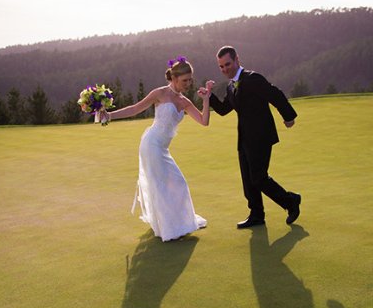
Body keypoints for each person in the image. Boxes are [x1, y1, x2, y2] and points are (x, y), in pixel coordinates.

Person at [101, 57, 214, 242]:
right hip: (151, 144)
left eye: (190, 80)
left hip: (163, 149)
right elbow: (135, 109)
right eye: (185, 80)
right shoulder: (160, 93)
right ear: (174, 78)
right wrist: (110, 115)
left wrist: (206, 100)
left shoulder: (184, 101)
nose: (188, 83)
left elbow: (204, 121)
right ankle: (169, 230)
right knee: (161, 186)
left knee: (179, 183)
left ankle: (176, 224)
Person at [208, 45, 301, 228]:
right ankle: (256, 214)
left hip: (261, 137)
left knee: (259, 178)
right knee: (248, 180)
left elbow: (275, 94)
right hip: (244, 139)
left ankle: (291, 201)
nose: (225, 69)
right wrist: (209, 96)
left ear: (237, 60)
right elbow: (224, 109)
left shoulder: (253, 78)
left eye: (228, 64)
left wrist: (288, 116)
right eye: (221, 66)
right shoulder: (231, 86)